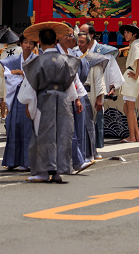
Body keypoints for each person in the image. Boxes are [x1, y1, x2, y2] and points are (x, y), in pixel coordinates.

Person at [18, 23, 82, 183]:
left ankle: (43, 172)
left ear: (39, 41)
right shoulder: (66, 60)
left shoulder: (37, 62)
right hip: (63, 98)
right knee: (62, 134)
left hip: (44, 99)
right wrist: (75, 100)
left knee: (44, 135)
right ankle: (58, 171)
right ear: (56, 40)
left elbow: (30, 87)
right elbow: (70, 85)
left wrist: (29, 106)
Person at [79, 22, 124, 152]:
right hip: (82, 88)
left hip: (98, 88)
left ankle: (96, 146)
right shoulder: (77, 51)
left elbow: (113, 71)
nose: (81, 37)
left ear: (92, 35)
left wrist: (112, 87)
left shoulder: (104, 52)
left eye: (85, 34)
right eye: (80, 34)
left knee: (97, 117)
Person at [57, 26, 91, 172]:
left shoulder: (69, 52)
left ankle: (75, 161)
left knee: (71, 131)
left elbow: (74, 78)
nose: (71, 38)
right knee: (66, 131)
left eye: (72, 35)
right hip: (60, 95)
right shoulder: (55, 54)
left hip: (72, 93)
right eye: (68, 35)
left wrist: (77, 96)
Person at [1, 33, 37, 171]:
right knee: (14, 125)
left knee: (29, 127)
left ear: (34, 46)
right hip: (16, 96)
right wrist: (23, 76)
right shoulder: (12, 60)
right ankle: (12, 160)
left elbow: (36, 78)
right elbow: (9, 77)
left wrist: (21, 74)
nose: (28, 45)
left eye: (31, 43)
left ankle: (27, 161)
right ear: (20, 44)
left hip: (31, 96)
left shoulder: (37, 60)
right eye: (25, 42)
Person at [77, 32, 108, 162]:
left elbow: (99, 80)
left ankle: (92, 150)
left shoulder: (94, 59)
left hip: (89, 93)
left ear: (89, 44)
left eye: (82, 42)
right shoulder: (74, 57)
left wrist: (100, 98)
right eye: (77, 42)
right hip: (76, 93)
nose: (79, 45)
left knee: (90, 124)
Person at [0, 28, 21, 136]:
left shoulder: (0, 51)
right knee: (10, 105)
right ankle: (9, 129)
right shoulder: (20, 50)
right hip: (15, 79)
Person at [119, 24, 139, 143]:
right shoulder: (136, 44)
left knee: (129, 108)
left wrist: (135, 74)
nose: (125, 35)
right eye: (124, 33)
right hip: (134, 76)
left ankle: (132, 136)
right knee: (128, 107)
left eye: (127, 33)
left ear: (134, 34)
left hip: (133, 76)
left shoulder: (135, 46)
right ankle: (137, 135)